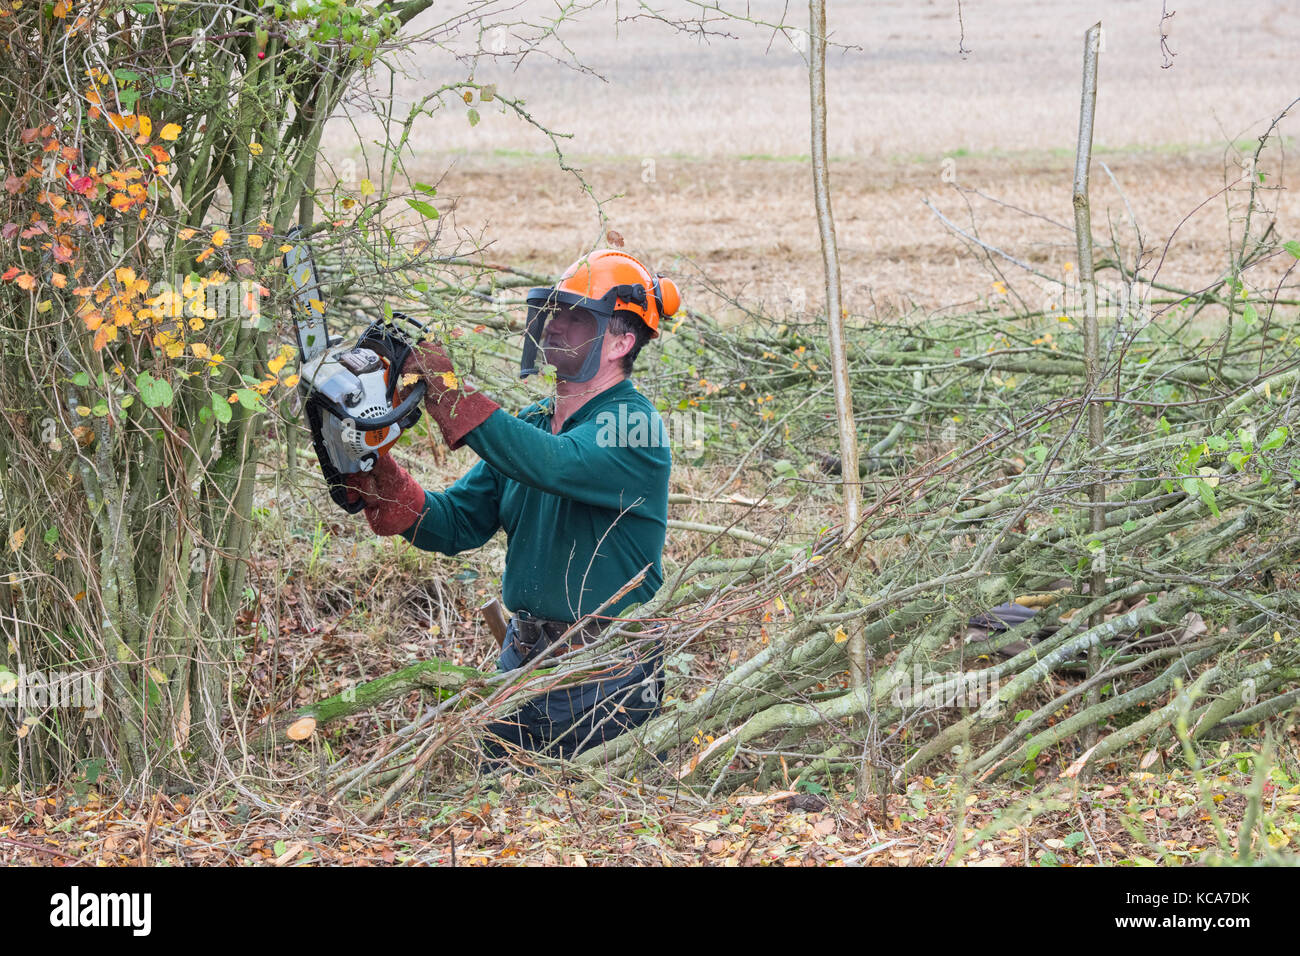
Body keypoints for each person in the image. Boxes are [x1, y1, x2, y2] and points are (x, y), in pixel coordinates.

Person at [345, 248, 681, 760]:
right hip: (521, 662)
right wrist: (370, 468)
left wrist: (448, 393)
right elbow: (456, 523)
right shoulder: (530, 423)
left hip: (607, 672)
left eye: (576, 318)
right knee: (495, 814)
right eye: (554, 312)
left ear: (622, 341)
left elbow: (552, 463)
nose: (555, 327)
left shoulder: (631, 426)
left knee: (585, 829)